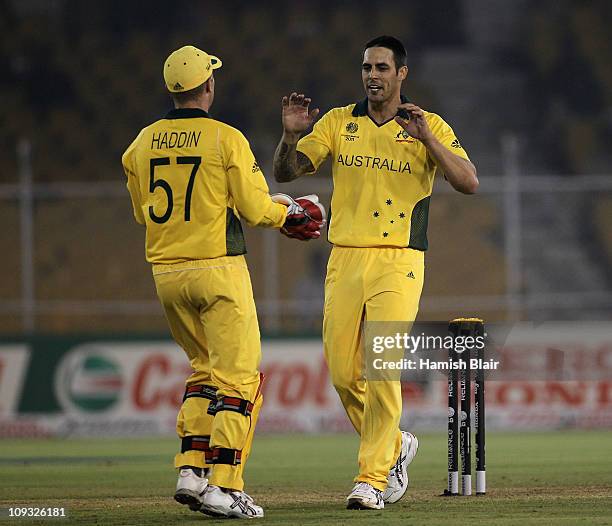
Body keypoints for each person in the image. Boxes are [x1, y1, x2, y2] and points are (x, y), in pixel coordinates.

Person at [273, 35, 478, 510]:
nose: (373, 76)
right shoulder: (339, 122)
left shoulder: (427, 125)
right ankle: (396, 445)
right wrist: (288, 135)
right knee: (345, 374)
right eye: (367, 68)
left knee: (381, 366)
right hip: (344, 257)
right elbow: (287, 174)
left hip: (400, 260)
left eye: (383, 68)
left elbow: (469, 181)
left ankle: (372, 477)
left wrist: (427, 138)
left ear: (401, 73)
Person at [122, 45, 323, 519]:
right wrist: (289, 211)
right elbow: (255, 210)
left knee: (202, 373)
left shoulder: (140, 144)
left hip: (167, 273)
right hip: (218, 269)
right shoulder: (225, 139)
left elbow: (141, 213)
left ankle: (191, 471)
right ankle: (225, 484)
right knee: (240, 380)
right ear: (208, 86)